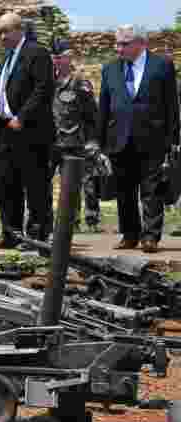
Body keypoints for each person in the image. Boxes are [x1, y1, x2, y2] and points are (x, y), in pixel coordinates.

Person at [97, 24, 179, 253]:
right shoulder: (110, 69)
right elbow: (103, 106)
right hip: (119, 138)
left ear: (141, 43)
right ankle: (129, 234)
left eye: (123, 43)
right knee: (124, 189)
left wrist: (173, 139)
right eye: (116, 43)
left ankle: (151, 236)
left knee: (152, 189)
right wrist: (99, 139)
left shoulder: (162, 66)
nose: (118, 48)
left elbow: (171, 105)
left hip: (153, 138)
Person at [0, 11, 55, 248]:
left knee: (35, 186)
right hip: (6, 131)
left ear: (19, 30)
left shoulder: (36, 53)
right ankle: (11, 233)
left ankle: (36, 236)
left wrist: (22, 117)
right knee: (7, 184)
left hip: (31, 132)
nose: (1, 37)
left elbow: (43, 89)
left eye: (5, 31)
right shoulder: (7, 58)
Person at [49, 38, 108, 234]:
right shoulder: (47, 82)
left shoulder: (80, 84)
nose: (57, 61)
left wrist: (93, 141)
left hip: (76, 142)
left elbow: (92, 115)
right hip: (52, 143)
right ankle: (63, 221)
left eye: (60, 57)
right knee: (46, 184)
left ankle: (92, 220)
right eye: (54, 58)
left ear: (69, 58)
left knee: (84, 184)